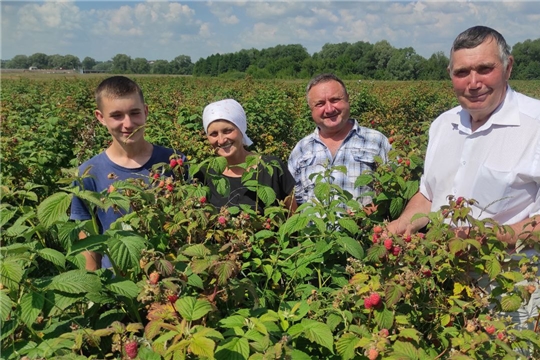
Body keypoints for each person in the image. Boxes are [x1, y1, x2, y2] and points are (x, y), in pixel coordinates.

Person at [387, 26, 540, 330]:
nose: (473, 83)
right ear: (450, 74)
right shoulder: (443, 124)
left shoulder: (535, 125)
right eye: (462, 72)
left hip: (508, 283)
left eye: (485, 69)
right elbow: (429, 195)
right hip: (440, 277)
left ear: (508, 67)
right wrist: (399, 226)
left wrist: (480, 239)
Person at [70, 76, 185, 271]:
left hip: (171, 280)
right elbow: (89, 245)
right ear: (100, 118)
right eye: (116, 115)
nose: (128, 124)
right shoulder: (88, 175)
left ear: (146, 112)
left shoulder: (175, 162)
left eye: (135, 113)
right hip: (119, 284)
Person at [288, 73, 391, 206]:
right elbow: (292, 203)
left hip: (364, 226)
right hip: (314, 227)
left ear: (348, 99)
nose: (329, 109)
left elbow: (394, 188)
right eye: (320, 104)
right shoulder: (301, 149)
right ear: (311, 108)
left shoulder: (376, 141)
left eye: (335, 100)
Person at [197, 98, 297, 214]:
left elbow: (294, 216)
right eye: (213, 134)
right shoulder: (204, 174)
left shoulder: (272, 167)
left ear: (241, 129)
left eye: (227, 131)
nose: (221, 140)